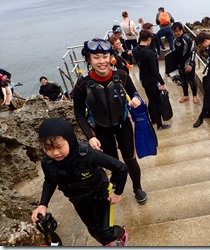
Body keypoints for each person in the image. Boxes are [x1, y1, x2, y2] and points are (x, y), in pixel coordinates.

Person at [31, 118, 129, 246]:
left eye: (59, 146)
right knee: (94, 231)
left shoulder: (88, 155)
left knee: (106, 232)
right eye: (48, 148)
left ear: (70, 140)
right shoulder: (47, 163)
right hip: (78, 201)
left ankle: (123, 233)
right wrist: (43, 204)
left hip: (100, 196)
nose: (55, 152)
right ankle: (107, 242)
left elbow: (121, 168)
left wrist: (117, 193)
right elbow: (50, 181)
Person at [73, 38, 148, 204]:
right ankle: (116, 178)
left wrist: (136, 100)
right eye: (96, 57)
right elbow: (78, 112)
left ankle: (137, 187)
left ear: (110, 57)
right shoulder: (82, 84)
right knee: (113, 162)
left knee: (130, 160)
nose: (102, 62)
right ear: (89, 60)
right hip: (101, 129)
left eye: (105, 56)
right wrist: (90, 136)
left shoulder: (121, 75)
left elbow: (135, 94)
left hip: (123, 125)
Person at [132, 30, 171, 130]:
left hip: (144, 79)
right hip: (152, 80)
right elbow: (155, 71)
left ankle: (153, 119)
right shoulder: (149, 53)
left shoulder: (135, 50)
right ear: (149, 39)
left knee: (151, 100)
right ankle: (159, 125)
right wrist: (162, 83)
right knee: (156, 102)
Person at [172, 22, 198, 104]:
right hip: (180, 64)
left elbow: (193, 52)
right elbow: (175, 53)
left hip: (188, 63)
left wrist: (191, 64)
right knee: (183, 81)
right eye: (174, 31)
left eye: (177, 31)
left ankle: (194, 96)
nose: (176, 33)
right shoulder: (175, 41)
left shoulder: (187, 39)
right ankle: (186, 95)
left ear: (181, 30)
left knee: (191, 81)